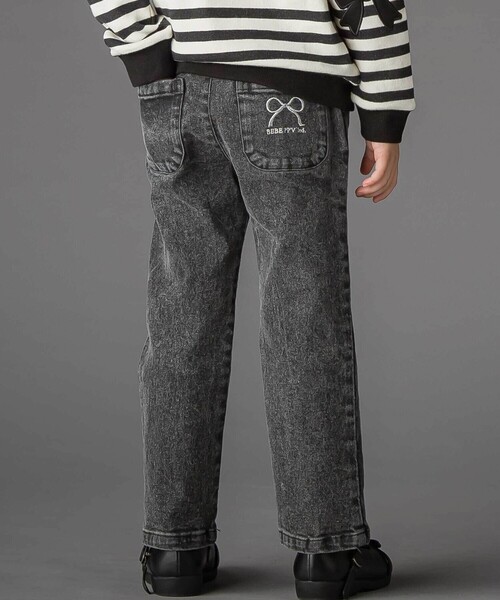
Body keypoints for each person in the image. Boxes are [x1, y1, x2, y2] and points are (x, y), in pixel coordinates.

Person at [85, 1, 416, 597]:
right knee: (303, 317)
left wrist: (153, 55)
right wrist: (384, 116)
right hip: (292, 90)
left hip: (178, 89)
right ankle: (326, 554)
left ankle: (173, 551)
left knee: (181, 318)